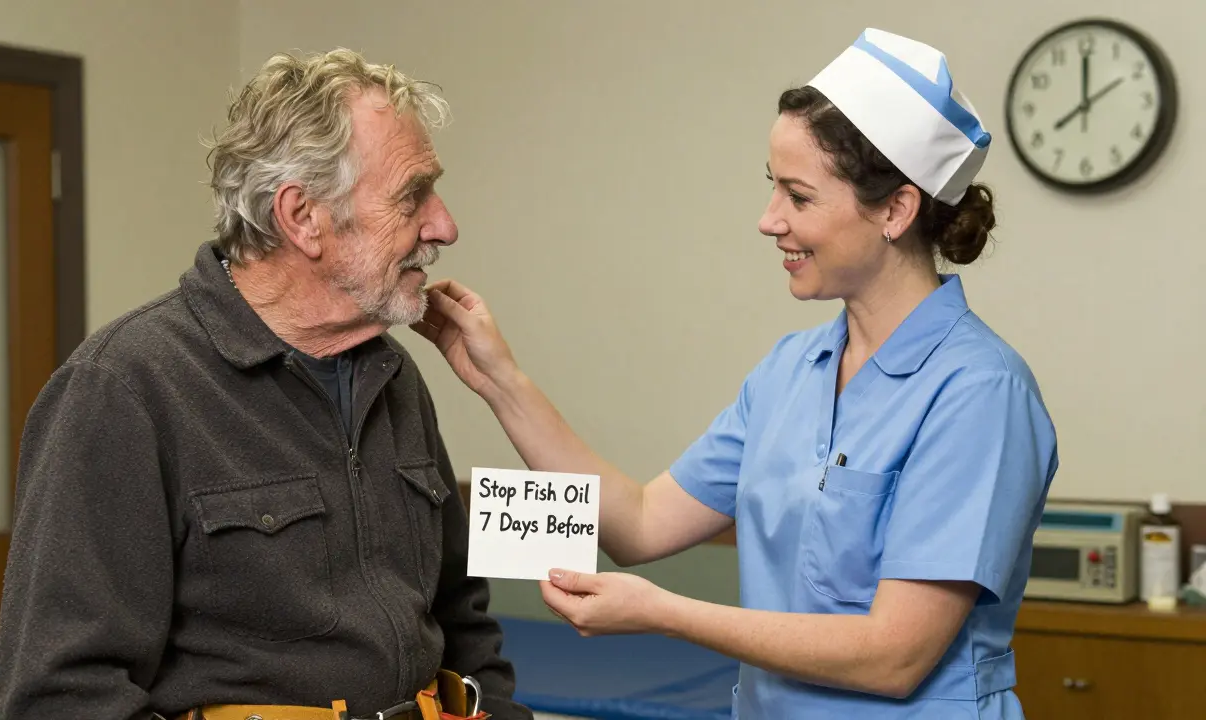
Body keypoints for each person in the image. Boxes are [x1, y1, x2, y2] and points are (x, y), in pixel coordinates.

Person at [411, 28, 1057, 719]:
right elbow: (638, 523)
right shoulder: (791, 374)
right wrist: (499, 379)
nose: (768, 220)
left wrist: (666, 613)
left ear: (896, 210)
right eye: (770, 187)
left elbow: (894, 656)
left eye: (798, 197)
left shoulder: (979, 393)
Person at [0, 49, 530, 720]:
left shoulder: (392, 375)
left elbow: (462, 619)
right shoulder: (123, 389)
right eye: (411, 196)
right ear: (302, 217)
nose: (443, 226)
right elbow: (60, 698)